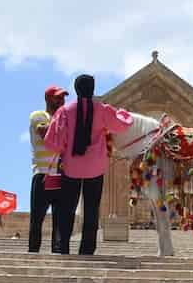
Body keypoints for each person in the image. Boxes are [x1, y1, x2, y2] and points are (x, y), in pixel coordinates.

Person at [42, 74, 133, 257]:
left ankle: (63, 247)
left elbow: (53, 142)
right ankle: (87, 250)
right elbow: (121, 125)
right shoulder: (102, 110)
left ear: (76, 90)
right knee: (92, 209)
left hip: (71, 168)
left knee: (67, 209)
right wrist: (124, 113)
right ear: (92, 89)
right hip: (95, 168)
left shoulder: (65, 111)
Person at [28, 85, 67, 253]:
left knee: (60, 219)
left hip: (60, 175)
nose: (61, 101)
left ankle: (57, 252)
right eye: (57, 97)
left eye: (63, 97)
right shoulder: (39, 115)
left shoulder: (65, 119)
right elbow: (44, 131)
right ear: (47, 99)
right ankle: (33, 251)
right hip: (43, 174)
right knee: (37, 219)